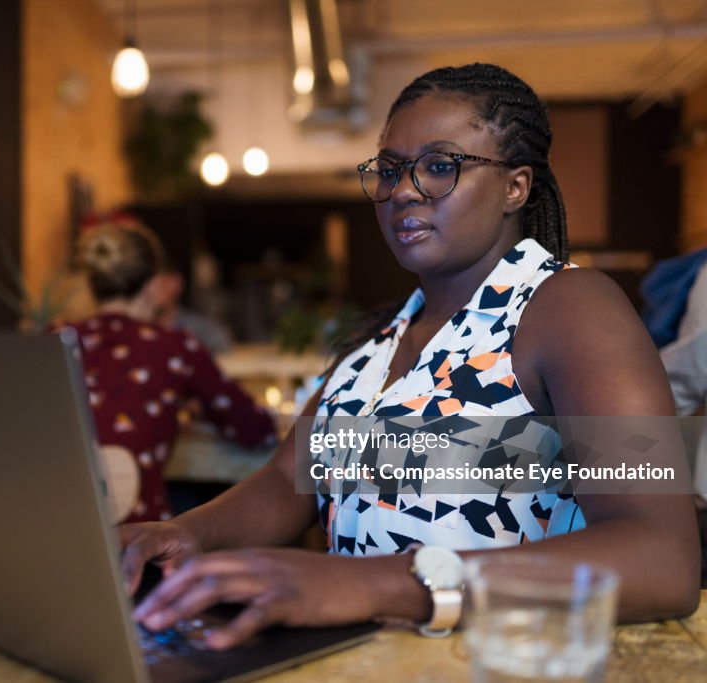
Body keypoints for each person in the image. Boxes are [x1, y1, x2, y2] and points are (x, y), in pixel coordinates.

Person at [121, 63, 701, 649]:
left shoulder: (566, 308)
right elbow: (288, 479)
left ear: (515, 187)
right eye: (391, 169)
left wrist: (372, 584)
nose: (402, 190)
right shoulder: (382, 336)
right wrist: (185, 532)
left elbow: (660, 554)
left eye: (440, 166)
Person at [55, 220, 276, 523]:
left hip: (53, 528)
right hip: (139, 540)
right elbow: (254, 428)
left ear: (93, 284)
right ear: (154, 286)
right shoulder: (171, 345)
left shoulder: (53, 340)